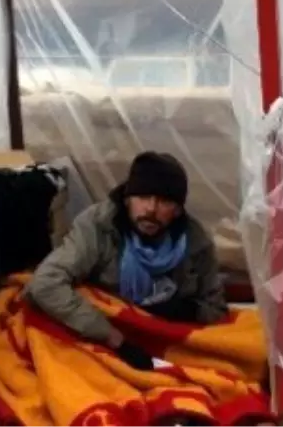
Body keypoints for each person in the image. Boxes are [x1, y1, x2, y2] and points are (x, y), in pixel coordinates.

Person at [24, 151, 228, 368]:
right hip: (101, 331)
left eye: (164, 201)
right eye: (143, 197)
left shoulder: (195, 242)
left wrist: (182, 310)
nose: (151, 209)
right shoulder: (98, 226)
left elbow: (215, 308)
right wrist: (114, 338)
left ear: (177, 210)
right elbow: (46, 284)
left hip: (163, 336)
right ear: (127, 199)